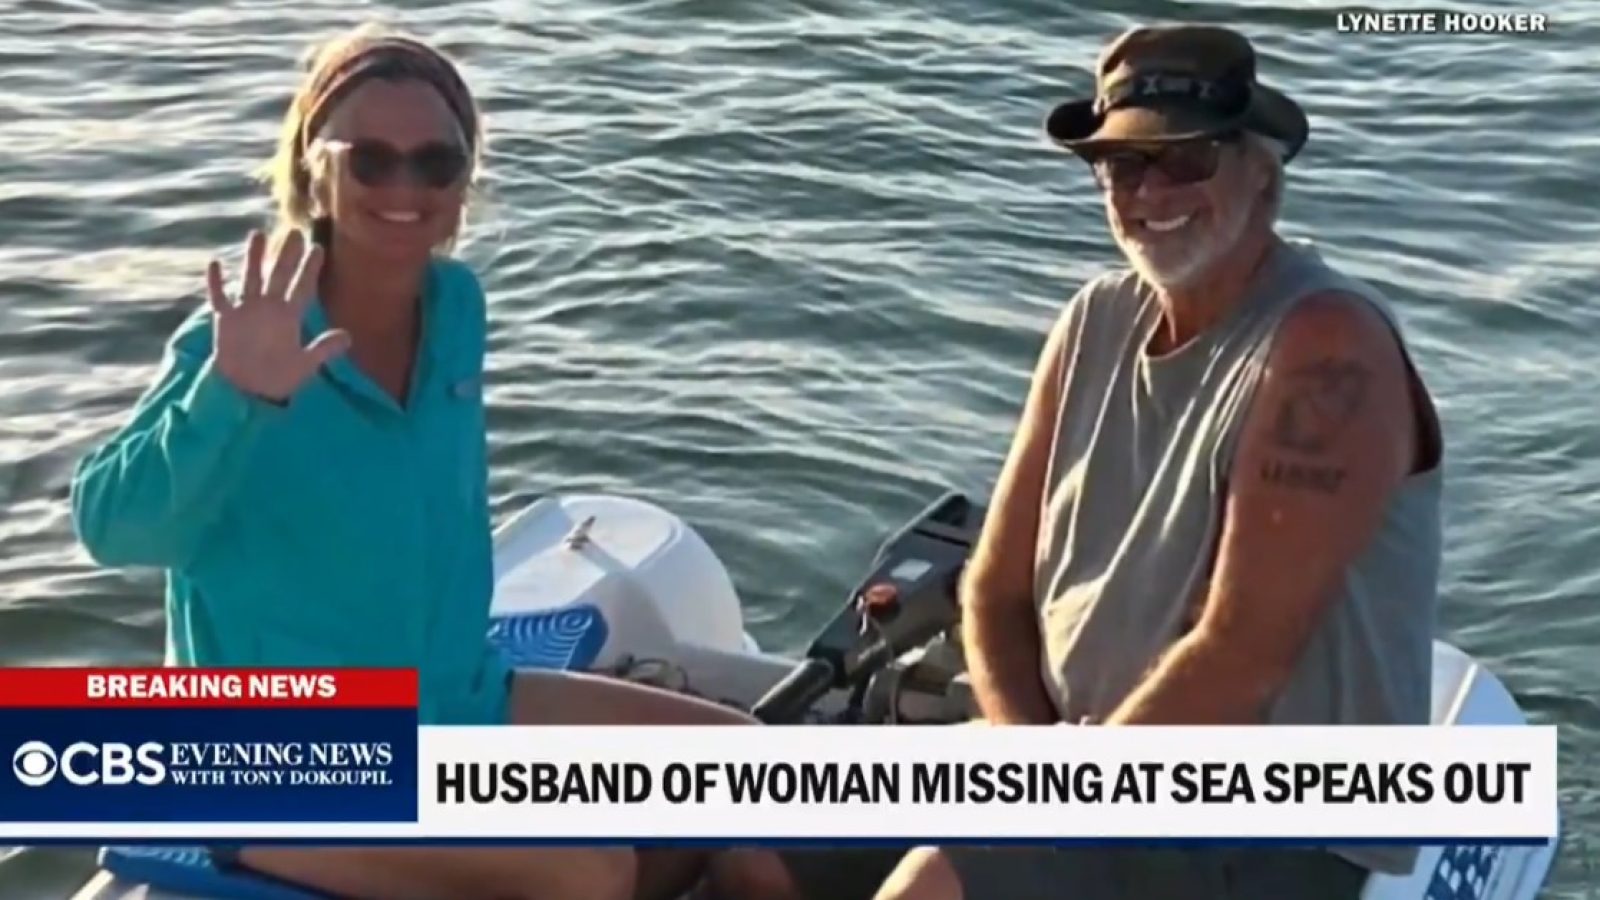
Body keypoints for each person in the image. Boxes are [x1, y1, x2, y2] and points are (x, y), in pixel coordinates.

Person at [703, 22, 1443, 900]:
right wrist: (1027, 750)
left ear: (1262, 175)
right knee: (749, 854)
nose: (1152, 190)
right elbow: (995, 589)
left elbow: (1241, 660)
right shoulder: (1094, 320)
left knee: (931, 886)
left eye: (1187, 159)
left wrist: (1052, 802)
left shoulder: (1327, 348)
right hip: (1069, 754)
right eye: (1126, 165)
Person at [69, 23, 754, 900]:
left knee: (742, 762)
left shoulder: (456, 305)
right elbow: (108, 526)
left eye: (436, 163)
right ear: (313, 169)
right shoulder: (241, 338)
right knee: (589, 874)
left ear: (465, 182)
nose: (405, 187)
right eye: (369, 159)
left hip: (456, 701)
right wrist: (232, 397)